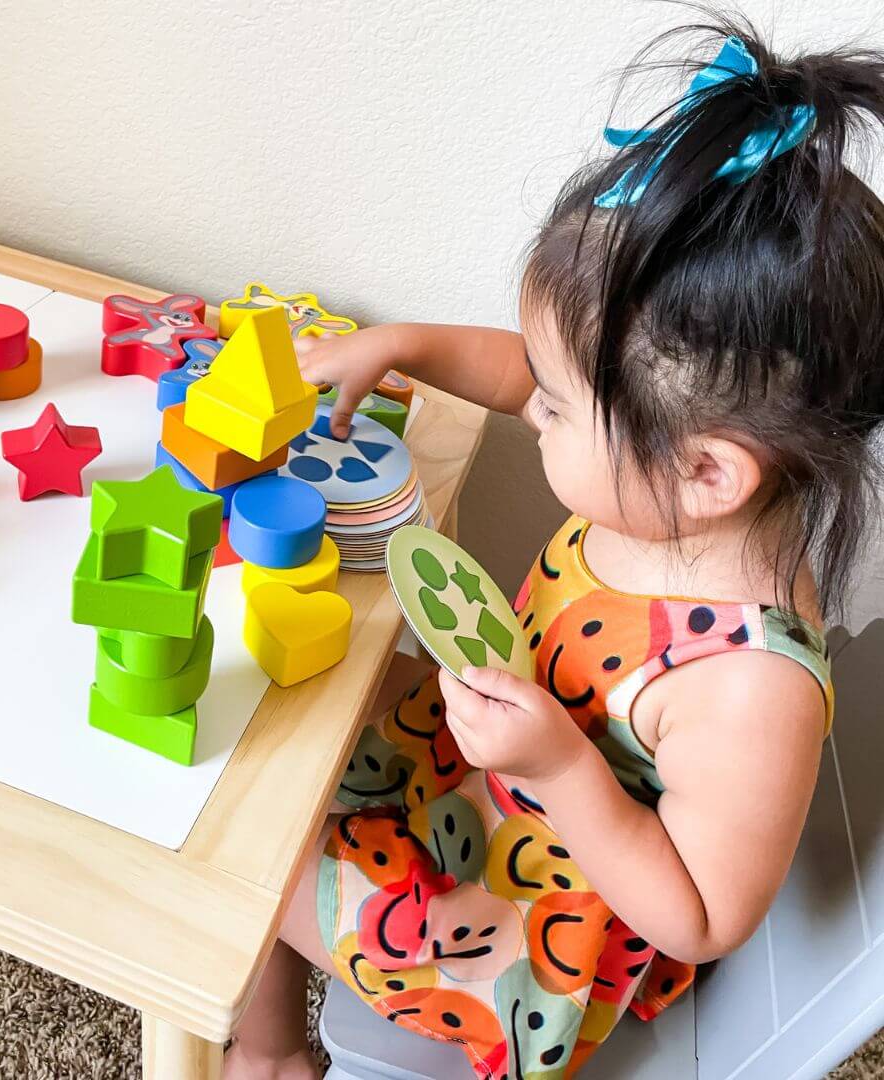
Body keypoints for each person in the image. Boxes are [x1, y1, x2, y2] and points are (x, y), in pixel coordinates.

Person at [225, 15, 884, 1079]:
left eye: (562, 411)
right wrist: (401, 346)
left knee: (245, 851)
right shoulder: (670, 488)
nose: (533, 413)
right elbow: (523, 372)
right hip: (486, 773)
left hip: (540, 922)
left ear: (708, 471)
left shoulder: (750, 690)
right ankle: (265, 1042)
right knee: (278, 737)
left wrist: (563, 769)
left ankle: (262, 1056)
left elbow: (700, 917)